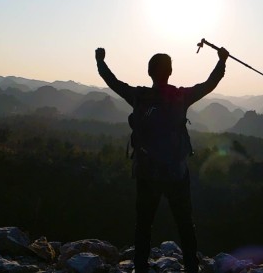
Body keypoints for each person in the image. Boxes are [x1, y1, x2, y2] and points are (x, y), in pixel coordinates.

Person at [95, 46, 229, 273]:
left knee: (144, 226)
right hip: (176, 172)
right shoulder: (180, 97)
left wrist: (100, 60)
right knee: (185, 225)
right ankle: (191, 268)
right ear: (170, 72)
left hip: (147, 172)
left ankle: (140, 267)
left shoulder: (139, 97)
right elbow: (210, 84)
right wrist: (221, 60)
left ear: (149, 73)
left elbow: (112, 81)